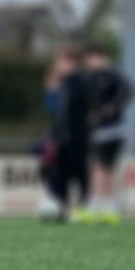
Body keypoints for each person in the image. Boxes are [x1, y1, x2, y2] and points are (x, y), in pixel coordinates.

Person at [82, 44, 134, 224]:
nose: (89, 63)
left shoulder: (113, 75)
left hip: (112, 129)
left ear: (100, 57)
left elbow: (128, 91)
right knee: (103, 166)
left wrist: (113, 107)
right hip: (98, 129)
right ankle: (106, 205)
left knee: (102, 166)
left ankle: (97, 204)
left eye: (91, 59)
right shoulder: (91, 77)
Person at [44, 46, 93, 224]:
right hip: (61, 136)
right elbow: (53, 111)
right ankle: (62, 207)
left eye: (61, 61)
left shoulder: (81, 82)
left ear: (72, 63)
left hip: (77, 135)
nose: (58, 65)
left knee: (79, 172)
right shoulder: (60, 84)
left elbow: (85, 107)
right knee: (60, 173)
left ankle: (83, 207)